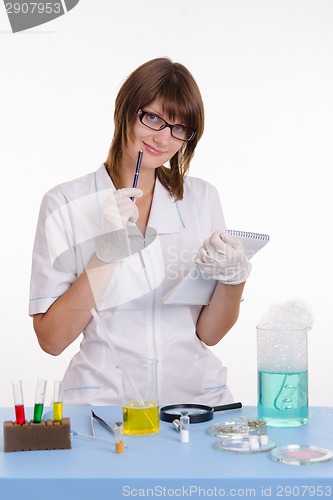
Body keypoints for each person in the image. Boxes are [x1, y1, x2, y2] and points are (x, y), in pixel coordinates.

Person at [29, 57, 251, 406]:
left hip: (194, 402)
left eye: (180, 128)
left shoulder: (202, 198)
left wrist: (235, 280)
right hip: (104, 405)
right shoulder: (65, 203)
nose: (163, 138)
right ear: (126, 110)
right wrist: (105, 255)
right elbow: (52, 340)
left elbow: (210, 333)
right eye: (153, 118)